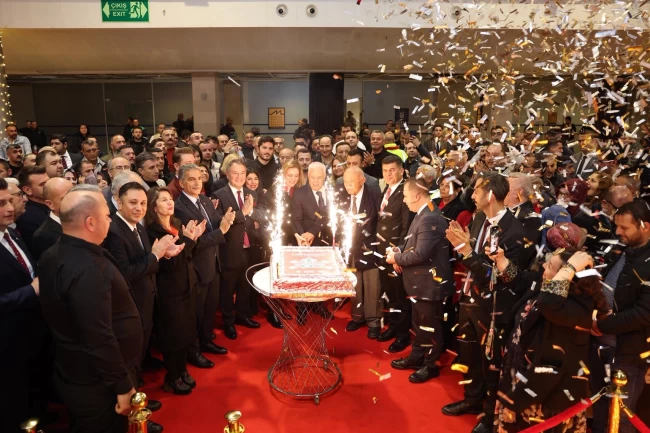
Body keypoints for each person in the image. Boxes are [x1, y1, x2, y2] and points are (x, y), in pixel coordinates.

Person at [39, 185, 141, 433]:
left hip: (77, 370)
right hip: (98, 382)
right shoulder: (88, 269)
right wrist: (123, 386)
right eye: (107, 215)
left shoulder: (53, 253)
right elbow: (97, 335)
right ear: (91, 223)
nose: (110, 220)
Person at [444, 171, 534, 433]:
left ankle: (489, 414)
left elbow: (498, 277)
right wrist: (464, 249)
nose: (471, 195)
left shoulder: (513, 231)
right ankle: (472, 399)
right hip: (469, 298)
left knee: (490, 364)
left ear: (490, 195)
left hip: (493, 308)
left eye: (476, 190)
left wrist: (465, 251)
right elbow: (473, 261)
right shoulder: (480, 218)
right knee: (469, 355)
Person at [490, 247, 603, 433]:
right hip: (521, 376)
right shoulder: (547, 284)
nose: (543, 266)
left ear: (566, 277)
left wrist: (570, 267)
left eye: (550, 266)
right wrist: (500, 259)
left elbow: (548, 303)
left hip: (544, 391)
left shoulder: (576, 307)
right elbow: (521, 279)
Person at [387, 178, 453, 383]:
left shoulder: (429, 217)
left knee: (430, 326)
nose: (404, 200)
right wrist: (399, 250)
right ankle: (417, 357)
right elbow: (414, 245)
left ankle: (430, 365)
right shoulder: (424, 213)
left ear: (416, 195)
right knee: (419, 324)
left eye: (405, 196)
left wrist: (396, 258)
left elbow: (421, 254)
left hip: (429, 284)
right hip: (420, 284)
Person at [593, 200, 650, 433]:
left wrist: (603, 324)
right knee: (600, 410)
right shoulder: (622, 249)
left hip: (629, 352)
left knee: (621, 418)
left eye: (624, 227)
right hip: (602, 344)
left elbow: (644, 314)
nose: (617, 232)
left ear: (645, 226)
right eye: (616, 226)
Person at [175, 164, 234, 365]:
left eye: (199, 178)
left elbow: (216, 224)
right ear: (181, 183)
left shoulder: (205, 200)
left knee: (210, 308)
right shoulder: (180, 208)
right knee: (196, 313)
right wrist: (221, 231)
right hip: (197, 269)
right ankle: (194, 351)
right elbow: (196, 242)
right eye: (191, 179)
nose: (196, 182)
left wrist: (225, 220)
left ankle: (206, 341)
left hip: (214, 263)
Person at [0, 177, 41, 433]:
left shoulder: (12, 233)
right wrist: (31, 291)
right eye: (1, 203)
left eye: (9, 201)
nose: (9, 208)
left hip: (28, 333)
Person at [212, 159, 260, 339]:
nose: (239, 177)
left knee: (245, 285)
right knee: (227, 288)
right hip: (229, 250)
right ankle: (228, 322)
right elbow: (219, 222)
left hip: (249, 248)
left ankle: (242, 315)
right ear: (227, 174)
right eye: (235, 173)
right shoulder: (218, 195)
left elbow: (258, 215)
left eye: (242, 173)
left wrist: (254, 216)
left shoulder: (251, 193)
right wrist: (243, 214)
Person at [375, 155, 414, 352]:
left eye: (392, 170)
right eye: (385, 171)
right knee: (389, 294)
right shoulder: (387, 189)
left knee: (399, 296)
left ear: (401, 170)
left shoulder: (405, 191)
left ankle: (403, 335)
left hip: (396, 253)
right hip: (382, 252)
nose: (388, 174)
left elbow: (407, 228)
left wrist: (399, 254)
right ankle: (393, 327)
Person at [340, 167, 382, 338]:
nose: (348, 186)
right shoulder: (343, 196)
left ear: (362, 180)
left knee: (372, 286)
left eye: (351, 182)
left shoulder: (374, 195)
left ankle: (373, 321)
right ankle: (357, 317)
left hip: (370, 247)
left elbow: (380, 222)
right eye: (345, 182)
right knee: (355, 284)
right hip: (350, 249)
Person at [31, 177, 72, 260]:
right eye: (66, 198)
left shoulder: (81, 219)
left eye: (74, 195)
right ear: (50, 204)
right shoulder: (43, 236)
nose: (75, 200)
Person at [292, 162, 332, 247]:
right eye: (312, 177)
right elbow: (297, 220)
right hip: (308, 244)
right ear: (308, 176)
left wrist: (312, 232)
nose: (315, 181)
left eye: (319, 178)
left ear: (324, 177)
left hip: (330, 243)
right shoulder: (299, 194)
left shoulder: (333, 192)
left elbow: (329, 216)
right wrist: (303, 239)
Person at [16, 166, 50, 249]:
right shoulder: (27, 217)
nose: (49, 186)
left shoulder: (54, 203)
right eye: (42, 184)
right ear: (27, 190)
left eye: (49, 182)